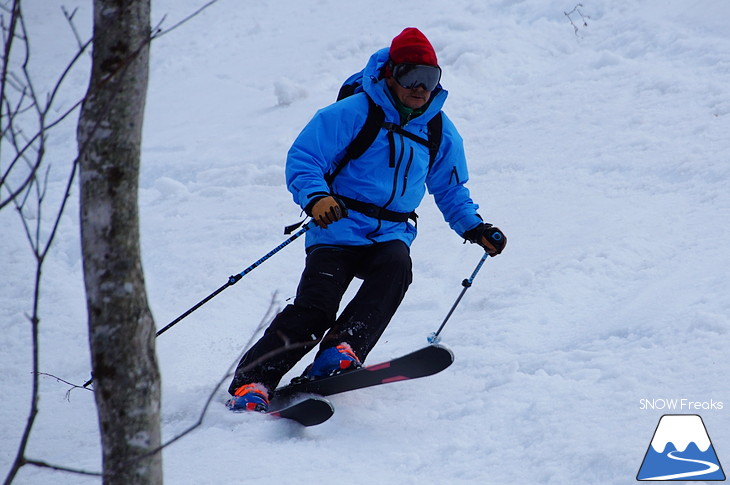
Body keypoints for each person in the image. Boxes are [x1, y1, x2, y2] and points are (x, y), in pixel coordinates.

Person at [226, 27, 506, 412]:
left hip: (390, 232)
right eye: (411, 76)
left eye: (430, 79)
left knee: (396, 269)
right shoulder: (351, 113)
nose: (420, 88)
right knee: (316, 307)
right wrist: (317, 197)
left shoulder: (439, 129)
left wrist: (474, 227)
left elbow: (451, 188)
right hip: (337, 227)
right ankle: (252, 383)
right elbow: (304, 159)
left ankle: (341, 350)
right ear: (391, 73)